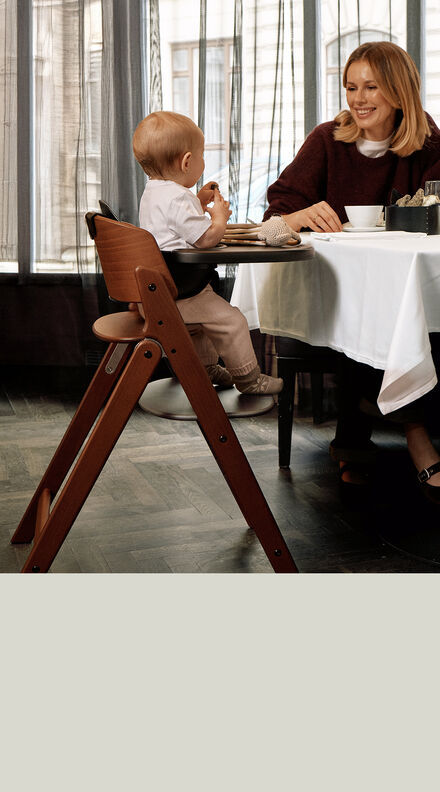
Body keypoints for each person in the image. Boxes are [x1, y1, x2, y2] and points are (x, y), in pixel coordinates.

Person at [264, 41, 440, 502]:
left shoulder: (428, 143)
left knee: (408, 304)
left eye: (371, 87)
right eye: (350, 87)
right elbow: (279, 206)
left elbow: (436, 206)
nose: (358, 99)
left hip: (401, 275)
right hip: (336, 287)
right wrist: (303, 214)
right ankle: (412, 432)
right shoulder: (328, 139)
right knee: (367, 304)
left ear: (400, 92)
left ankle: (358, 430)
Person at [132, 110, 283, 395]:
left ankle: (206, 367)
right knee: (231, 320)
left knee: (204, 323)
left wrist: (197, 203)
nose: (203, 161)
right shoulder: (177, 198)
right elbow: (205, 239)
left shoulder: (154, 192)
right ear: (187, 161)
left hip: (160, 289)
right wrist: (220, 218)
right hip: (179, 290)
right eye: (201, 156)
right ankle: (249, 379)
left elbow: (176, 228)